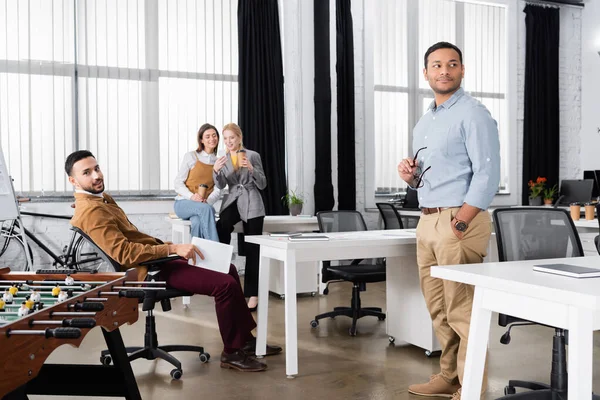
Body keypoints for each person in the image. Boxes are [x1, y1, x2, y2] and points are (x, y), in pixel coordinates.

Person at [65, 150, 281, 372]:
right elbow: (125, 254)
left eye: (97, 168)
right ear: (73, 181)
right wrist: (172, 248)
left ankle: (244, 339)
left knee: (228, 269)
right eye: (87, 172)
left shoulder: (97, 200)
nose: (96, 175)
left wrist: (166, 246)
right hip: (147, 272)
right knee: (224, 285)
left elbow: (126, 237)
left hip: (155, 262)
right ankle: (232, 352)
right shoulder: (92, 210)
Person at [397, 42, 500, 400]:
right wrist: (410, 176)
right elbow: (431, 176)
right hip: (427, 220)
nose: (444, 70)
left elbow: (487, 174)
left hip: (458, 221)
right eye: (437, 65)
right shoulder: (425, 121)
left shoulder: (474, 113)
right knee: (438, 308)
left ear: (462, 70)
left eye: (452, 64)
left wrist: (460, 222)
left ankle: (472, 387)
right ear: (425, 73)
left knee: (462, 309)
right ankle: (449, 376)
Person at [213, 123, 266, 312]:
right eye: (225, 139)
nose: (228, 142)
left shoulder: (252, 155)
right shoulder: (223, 159)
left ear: (239, 137)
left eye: (231, 138)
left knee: (253, 246)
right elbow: (220, 185)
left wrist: (251, 168)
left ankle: (253, 293)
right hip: (233, 198)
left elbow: (263, 183)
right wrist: (216, 171)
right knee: (221, 226)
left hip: (252, 199)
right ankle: (225, 276)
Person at [173, 123, 221, 242]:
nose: (212, 139)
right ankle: (216, 251)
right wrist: (192, 196)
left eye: (214, 135)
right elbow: (178, 183)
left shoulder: (218, 161)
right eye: (208, 136)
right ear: (201, 140)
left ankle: (197, 258)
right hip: (183, 203)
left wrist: (207, 201)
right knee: (207, 210)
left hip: (203, 206)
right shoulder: (191, 156)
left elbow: (218, 189)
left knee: (198, 222)